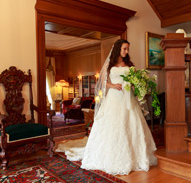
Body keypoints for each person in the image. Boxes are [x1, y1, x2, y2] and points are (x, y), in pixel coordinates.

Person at [57, 39, 157, 175]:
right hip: (114, 98)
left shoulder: (129, 64)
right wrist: (113, 85)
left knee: (131, 124)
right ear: (118, 49)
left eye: (128, 49)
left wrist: (136, 84)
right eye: (124, 49)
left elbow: (133, 80)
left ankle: (136, 157)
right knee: (115, 125)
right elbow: (102, 82)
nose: (127, 51)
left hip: (128, 97)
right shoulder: (110, 64)